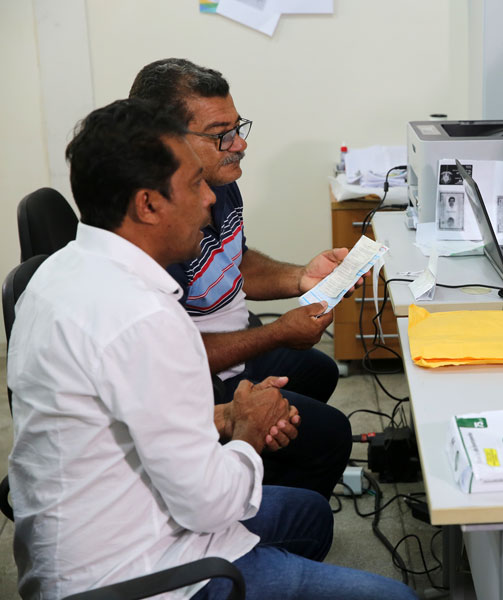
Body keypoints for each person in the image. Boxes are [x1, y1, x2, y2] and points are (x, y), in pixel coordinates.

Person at [7, 99, 417, 599]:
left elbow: (132, 411)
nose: (208, 200)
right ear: (148, 205)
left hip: (90, 533)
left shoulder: (59, 272)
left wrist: (223, 417)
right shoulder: (146, 318)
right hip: (141, 573)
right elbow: (210, 505)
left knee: (309, 515)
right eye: (194, 184)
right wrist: (249, 430)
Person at [129, 58, 351, 498]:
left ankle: (259, 485)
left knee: (318, 371)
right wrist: (278, 333)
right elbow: (176, 359)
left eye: (237, 127)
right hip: (196, 378)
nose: (240, 144)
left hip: (230, 349)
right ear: (164, 141)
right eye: (221, 134)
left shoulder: (219, 180)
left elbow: (234, 262)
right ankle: (259, 513)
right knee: (329, 435)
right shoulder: (158, 226)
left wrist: (301, 277)